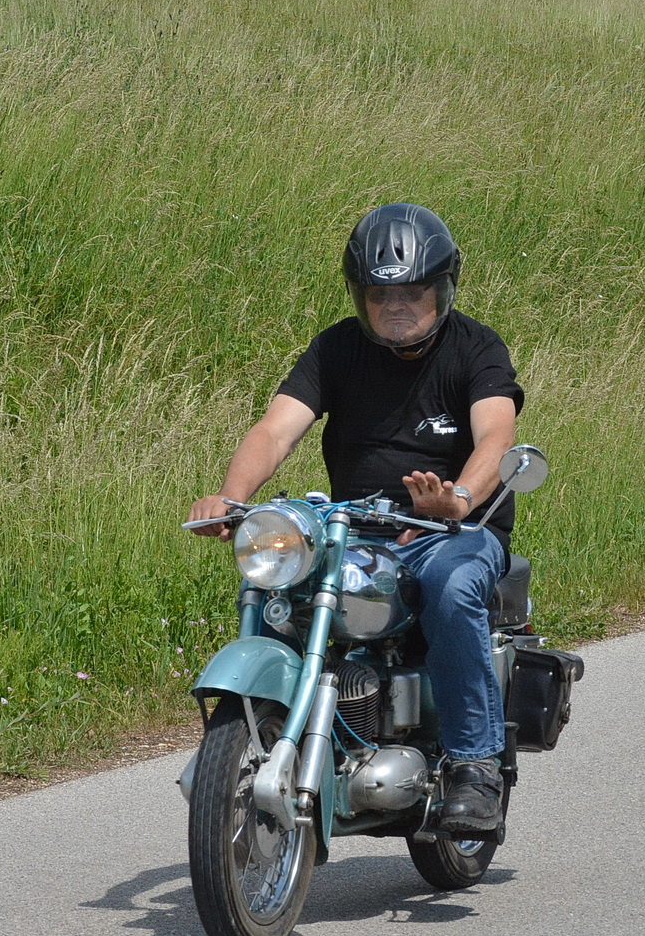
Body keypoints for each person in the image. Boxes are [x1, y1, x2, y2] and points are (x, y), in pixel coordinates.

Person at [186, 202, 523, 833]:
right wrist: (231, 498)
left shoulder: (475, 348)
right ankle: (271, 735)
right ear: (360, 296)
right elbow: (275, 429)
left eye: (414, 291)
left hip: (453, 531)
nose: (397, 305)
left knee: (452, 589)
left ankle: (475, 766)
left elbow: (495, 440)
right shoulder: (336, 348)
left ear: (442, 288)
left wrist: (456, 500)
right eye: (379, 293)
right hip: (353, 530)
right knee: (279, 581)